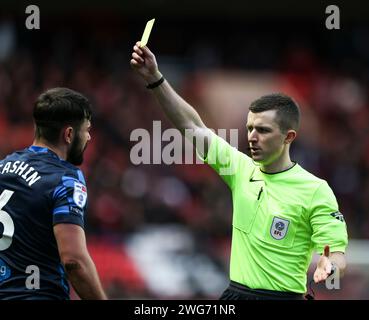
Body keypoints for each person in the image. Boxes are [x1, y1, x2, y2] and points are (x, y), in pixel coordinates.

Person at [130, 42, 348, 300]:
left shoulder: (315, 190)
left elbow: (336, 254)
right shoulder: (240, 168)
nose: (253, 137)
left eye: (263, 130)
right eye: (250, 128)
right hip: (235, 296)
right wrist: (155, 77)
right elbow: (192, 125)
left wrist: (329, 266)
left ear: (288, 137)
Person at [0, 87, 107, 300]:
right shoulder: (66, 179)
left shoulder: (3, 166)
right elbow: (74, 262)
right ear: (68, 134)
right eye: (86, 130)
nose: (88, 137)